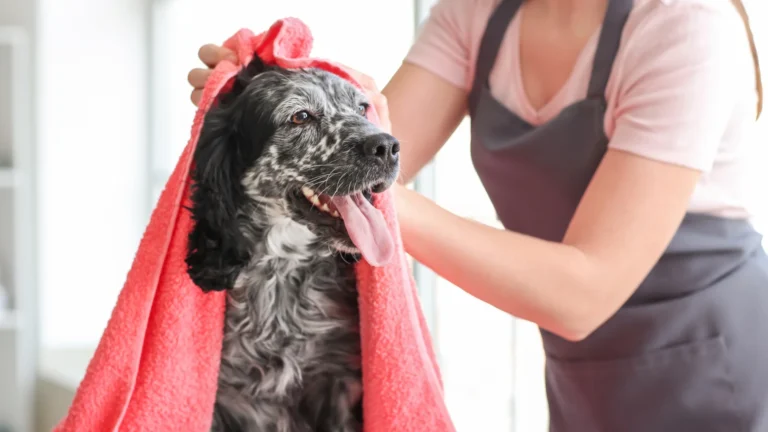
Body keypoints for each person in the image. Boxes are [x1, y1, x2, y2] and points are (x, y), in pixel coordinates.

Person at [187, 0, 767, 430]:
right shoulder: (479, 11)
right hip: (580, 373)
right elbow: (381, 147)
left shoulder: (690, 24)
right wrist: (261, 106)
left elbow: (583, 294)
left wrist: (363, 203)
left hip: (711, 364)